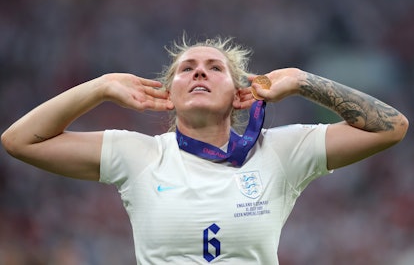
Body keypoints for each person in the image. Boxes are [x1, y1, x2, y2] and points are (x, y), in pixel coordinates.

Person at [1, 35, 409, 264]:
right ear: (169, 95)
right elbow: (18, 141)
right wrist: (99, 87)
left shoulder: (282, 151)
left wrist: (304, 81)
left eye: (215, 68)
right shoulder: (138, 154)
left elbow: (390, 127)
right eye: (186, 68)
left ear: (240, 95)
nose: (199, 70)